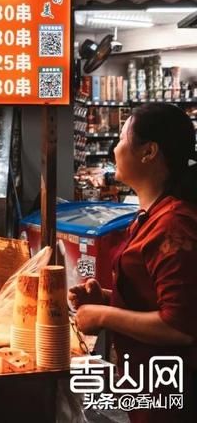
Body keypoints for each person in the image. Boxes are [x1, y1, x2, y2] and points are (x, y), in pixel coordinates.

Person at [69, 103, 197, 422]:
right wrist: (108, 298)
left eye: (123, 138)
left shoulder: (173, 225)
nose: (115, 149)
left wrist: (103, 315)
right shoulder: (149, 217)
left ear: (149, 152)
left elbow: (180, 327)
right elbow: (157, 297)